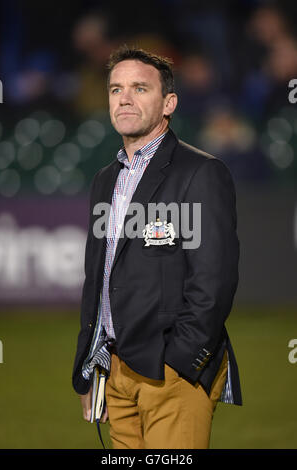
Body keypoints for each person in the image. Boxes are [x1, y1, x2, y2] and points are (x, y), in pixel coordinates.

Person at [72, 46, 242, 449]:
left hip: (171, 372)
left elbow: (213, 281)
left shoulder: (201, 172)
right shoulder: (104, 180)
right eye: (115, 89)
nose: (124, 98)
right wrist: (88, 366)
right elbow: (97, 281)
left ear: (169, 103)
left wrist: (181, 360)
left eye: (139, 88)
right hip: (114, 371)